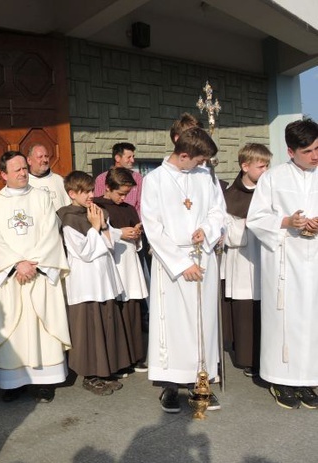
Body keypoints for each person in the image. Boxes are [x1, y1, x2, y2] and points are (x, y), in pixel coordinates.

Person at [141, 127, 226, 413]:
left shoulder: (205, 176)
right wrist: (181, 263)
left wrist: (207, 229)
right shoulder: (154, 180)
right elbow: (153, 227)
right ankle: (170, 386)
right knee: (174, 326)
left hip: (203, 258)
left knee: (203, 323)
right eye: (199, 160)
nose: (202, 165)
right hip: (172, 264)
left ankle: (201, 380)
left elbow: (218, 210)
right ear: (184, 154)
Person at [0, 151, 71, 403]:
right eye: (16, 170)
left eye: (23, 168)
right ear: (3, 174)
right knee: (13, 328)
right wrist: (16, 264)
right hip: (10, 277)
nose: (23, 173)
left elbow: (50, 232)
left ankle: (45, 381)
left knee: (42, 326)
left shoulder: (41, 198)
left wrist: (33, 264)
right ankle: (12, 382)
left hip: (39, 273)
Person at [247, 119, 318, 409]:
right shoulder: (273, 178)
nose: (315, 155)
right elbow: (256, 219)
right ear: (291, 151)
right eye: (309, 151)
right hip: (284, 260)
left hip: (314, 261)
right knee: (285, 320)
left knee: (312, 320)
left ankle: (309, 377)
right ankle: (281, 379)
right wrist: (287, 222)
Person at [57, 171, 129, 396]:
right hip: (85, 281)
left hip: (103, 278)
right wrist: (95, 227)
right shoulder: (68, 218)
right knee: (88, 328)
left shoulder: (97, 212)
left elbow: (109, 245)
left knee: (105, 322)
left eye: (91, 190)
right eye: (85, 191)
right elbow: (84, 252)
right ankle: (90, 375)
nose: (90, 195)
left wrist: (103, 226)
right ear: (71, 194)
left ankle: (104, 370)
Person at [223, 144, 271, 378]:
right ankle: (249, 358)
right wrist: (254, 223)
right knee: (247, 309)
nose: (266, 170)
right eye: (261, 166)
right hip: (244, 260)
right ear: (245, 166)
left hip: (267, 258)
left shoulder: (269, 190)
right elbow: (230, 235)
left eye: (267, 165)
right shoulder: (231, 195)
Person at [94, 167, 149, 372]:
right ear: (107, 187)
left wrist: (136, 234)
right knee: (115, 311)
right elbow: (96, 233)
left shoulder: (128, 208)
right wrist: (119, 233)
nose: (123, 198)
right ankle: (119, 361)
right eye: (120, 193)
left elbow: (135, 233)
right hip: (112, 262)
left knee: (133, 309)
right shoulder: (97, 206)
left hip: (129, 263)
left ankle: (135, 356)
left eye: (126, 194)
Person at [94, 143, 144, 216]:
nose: (132, 160)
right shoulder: (102, 178)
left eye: (133, 157)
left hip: (132, 222)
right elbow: (98, 203)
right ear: (117, 158)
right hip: (110, 221)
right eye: (129, 157)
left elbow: (140, 205)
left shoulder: (138, 178)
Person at [26, 143, 71, 211]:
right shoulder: (25, 182)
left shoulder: (59, 180)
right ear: (29, 160)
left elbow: (69, 207)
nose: (44, 160)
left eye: (46, 156)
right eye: (40, 157)